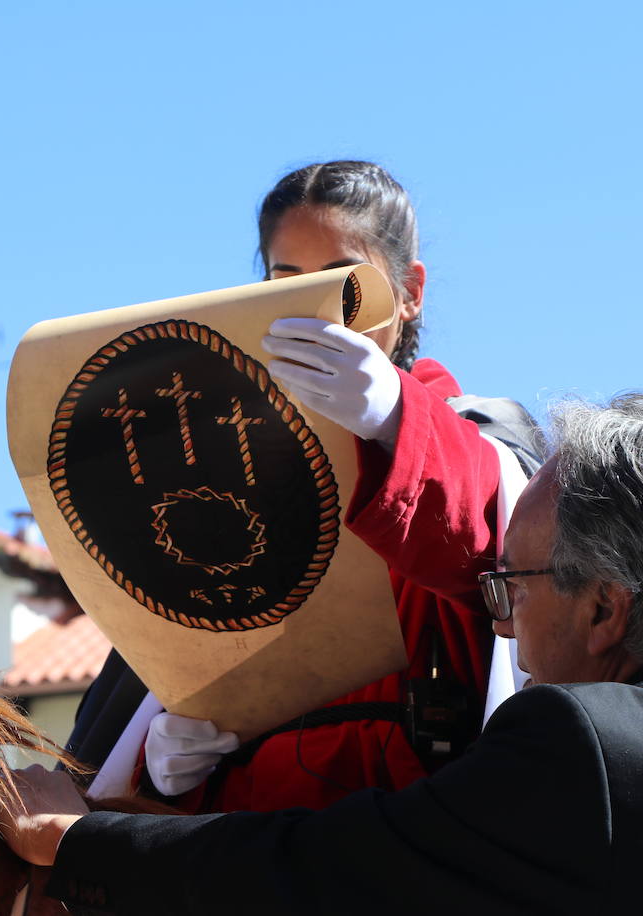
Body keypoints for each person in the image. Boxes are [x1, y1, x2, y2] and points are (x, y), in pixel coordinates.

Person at [0, 393, 643, 915]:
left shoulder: (590, 745)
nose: (502, 630)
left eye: (509, 589)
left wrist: (79, 841)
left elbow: (328, 874)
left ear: (607, 608)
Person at [66, 160, 543, 811]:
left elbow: (506, 554)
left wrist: (396, 419)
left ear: (410, 293)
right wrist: (168, 768)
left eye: (344, 286)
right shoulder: (219, 479)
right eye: (283, 284)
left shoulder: (483, 443)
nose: (318, 314)